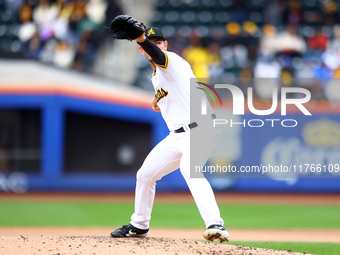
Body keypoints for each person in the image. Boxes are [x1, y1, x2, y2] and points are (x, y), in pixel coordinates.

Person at [110, 27, 229, 243]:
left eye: (159, 41)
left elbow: (158, 57)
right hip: (177, 136)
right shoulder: (157, 76)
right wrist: (158, 98)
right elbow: (169, 85)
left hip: (201, 129)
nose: (155, 45)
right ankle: (139, 225)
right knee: (145, 175)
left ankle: (215, 224)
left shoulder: (172, 60)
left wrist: (142, 39)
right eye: (149, 42)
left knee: (189, 168)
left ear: (165, 45)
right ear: (140, 51)